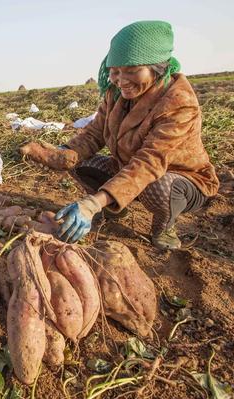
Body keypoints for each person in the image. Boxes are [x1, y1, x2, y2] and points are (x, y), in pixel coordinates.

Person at [53, 21, 219, 250]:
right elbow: (94, 134)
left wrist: (92, 203)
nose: (121, 80)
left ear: (157, 67)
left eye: (132, 71)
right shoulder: (115, 94)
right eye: (115, 72)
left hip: (180, 180)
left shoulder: (179, 103)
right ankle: (115, 207)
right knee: (75, 160)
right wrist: (60, 154)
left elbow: (149, 163)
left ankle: (164, 227)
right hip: (128, 169)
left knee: (157, 186)